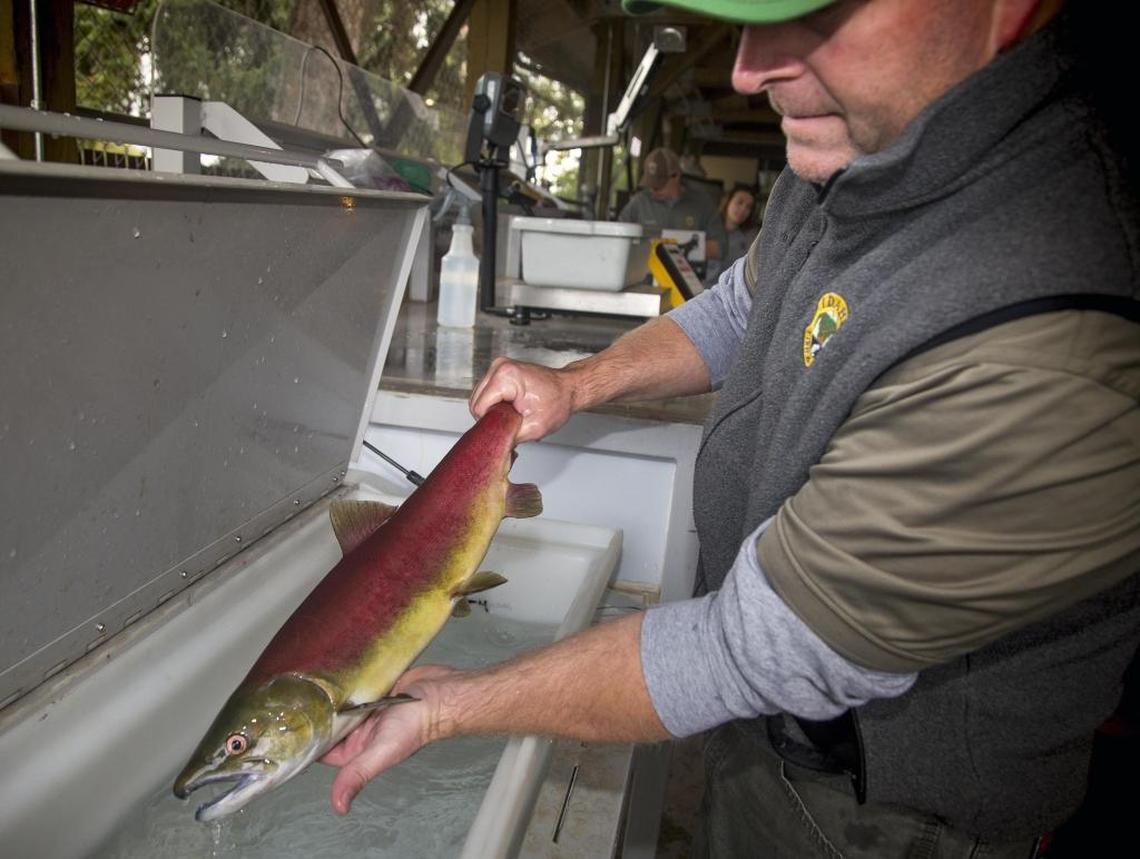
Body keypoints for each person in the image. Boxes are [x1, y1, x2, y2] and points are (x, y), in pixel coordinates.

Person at [322, 1, 1140, 856]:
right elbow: (741, 307)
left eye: (815, 12)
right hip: (763, 732)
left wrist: (448, 706)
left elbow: (752, 647)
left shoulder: (1048, 332)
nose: (749, 69)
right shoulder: (859, 145)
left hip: (883, 818)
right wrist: (576, 383)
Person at [618, 146, 727, 268]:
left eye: (659, 185)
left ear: (676, 176)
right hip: (644, 281)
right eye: (651, 184)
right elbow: (617, 239)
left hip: (687, 282)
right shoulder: (639, 203)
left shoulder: (702, 204)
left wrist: (676, 248)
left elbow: (720, 248)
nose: (653, 190)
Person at [705, 184, 761, 285]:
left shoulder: (750, 239)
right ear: (727, 202)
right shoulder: (707, 227)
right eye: (739, 202)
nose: (743, 209)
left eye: (748, 207)